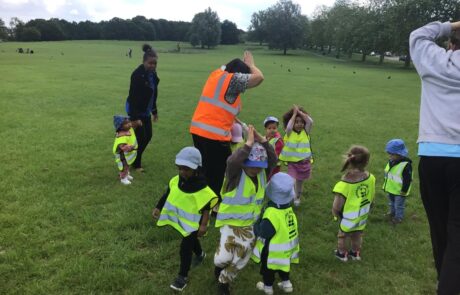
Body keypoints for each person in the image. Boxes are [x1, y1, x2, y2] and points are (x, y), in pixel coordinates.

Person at [410, 20, 460, 294]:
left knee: (440, 231)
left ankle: (445, 281)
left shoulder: (435, 62)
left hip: (432, 157)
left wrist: (452, 25)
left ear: (452, 44)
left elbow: (418, 35)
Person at [189, 51, 264, 198]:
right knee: (219, 173)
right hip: (214, 136)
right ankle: (212, 206)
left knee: (205, 169)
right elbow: (259, 78)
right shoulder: (233, 80)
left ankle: (197, 196)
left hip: (197, 131)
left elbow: (228, 107)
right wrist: (251, 65)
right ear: (239, 74)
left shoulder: (216, 75)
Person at [214, 126, 276, 295]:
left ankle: (224, 281)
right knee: (223, 259)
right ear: (244, 163)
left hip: (250, 225)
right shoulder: (235, 175)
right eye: (252, 165)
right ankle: (219, 267)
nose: (256, 169)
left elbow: (273, 159)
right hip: (230, 223)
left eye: (259, 165)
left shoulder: (263, 173)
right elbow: (232, 161)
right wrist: (248, 144)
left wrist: (263, 140)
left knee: (241, 257)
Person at [152, 147, 219, 292]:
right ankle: (201, 254)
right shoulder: (177, 180)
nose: (182, 172)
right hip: (185, 223)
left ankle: (182, 276)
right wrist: (158, 207)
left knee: (185, 248)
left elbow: (206, 208)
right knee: (189, 237)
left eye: (186, 169)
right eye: (180, 168)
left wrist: (203, 225)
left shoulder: (202, 188)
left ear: (196, 169)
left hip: (196, 223)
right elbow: (167, 194)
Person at [252, 173, 299, 295]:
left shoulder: (271, 213)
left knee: (268, 269)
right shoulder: (288, 209)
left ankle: (268, 287)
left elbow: (264, 232)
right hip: (287, 249)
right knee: (284, 266)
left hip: (272, 251)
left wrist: (255, 226)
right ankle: (286, 284)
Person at [332, 146, 375, 262]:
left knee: (342, 235)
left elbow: (337, 205)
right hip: (363, 215)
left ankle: (342, 254)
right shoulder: (371, 178)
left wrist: (335, 213)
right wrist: (371, 206)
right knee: (357, 234)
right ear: (367, 162)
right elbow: (371, 195)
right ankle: (355, 254)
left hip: (348, 217)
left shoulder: (344, 184)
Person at [125, 44, 159, 172]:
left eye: (155, 63)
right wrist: (134, 118)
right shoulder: (137, 75)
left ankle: (133, 157)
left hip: (146, 111)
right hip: (135, 110)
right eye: (150, 63)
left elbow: (153, 94)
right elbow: (133, 97)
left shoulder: (153, 74)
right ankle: (136, 163)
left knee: (148, 136)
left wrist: (154, 111)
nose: (153, 66)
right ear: (144, 61)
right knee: (141, 137)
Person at [279, 105, 313, 206]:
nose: (299, 124)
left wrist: (301, 113)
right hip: (293, 163)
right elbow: (289, 126)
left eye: (302, 122)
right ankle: (289, 196)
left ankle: (297, 198)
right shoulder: (289, 132)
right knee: (291, 181)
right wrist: (294, 114)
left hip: (304, 163)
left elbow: (310, 121)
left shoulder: (306, 132)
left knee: (299, 183)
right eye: (296, 122)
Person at [382, 139, 413, 224]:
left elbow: (408, 180)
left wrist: (404, 190)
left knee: (398, 205)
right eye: (389, 154)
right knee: (391, 203)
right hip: (391, 188)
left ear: (399, 154)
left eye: (392, 154)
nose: (389, 156)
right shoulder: (392, 161)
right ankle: (392, 213)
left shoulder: (406, 165)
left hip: (400, 191)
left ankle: (398, 218)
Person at [112, 115, 142, 185]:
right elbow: (123, 147)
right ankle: (123, 178)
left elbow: (133, 125)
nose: (129, 124)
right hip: (122, 155)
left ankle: (126, 174)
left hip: (127, 154)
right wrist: (129, 147)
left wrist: (137, 123)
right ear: (120, 127)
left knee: (127, 165)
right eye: (126, 124)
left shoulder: (128, 129)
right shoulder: (121, 136)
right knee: (124, 166)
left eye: (129, 122)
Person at [263, 116, 284, 180]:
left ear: (277, 128)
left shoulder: (278, 140)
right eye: (269, 128)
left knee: (272, 178)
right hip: (267, 163)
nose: (272, 130)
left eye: (274, 128)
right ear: (266, 129)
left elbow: (277, 154)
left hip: (274, 165)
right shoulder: (265, 137)